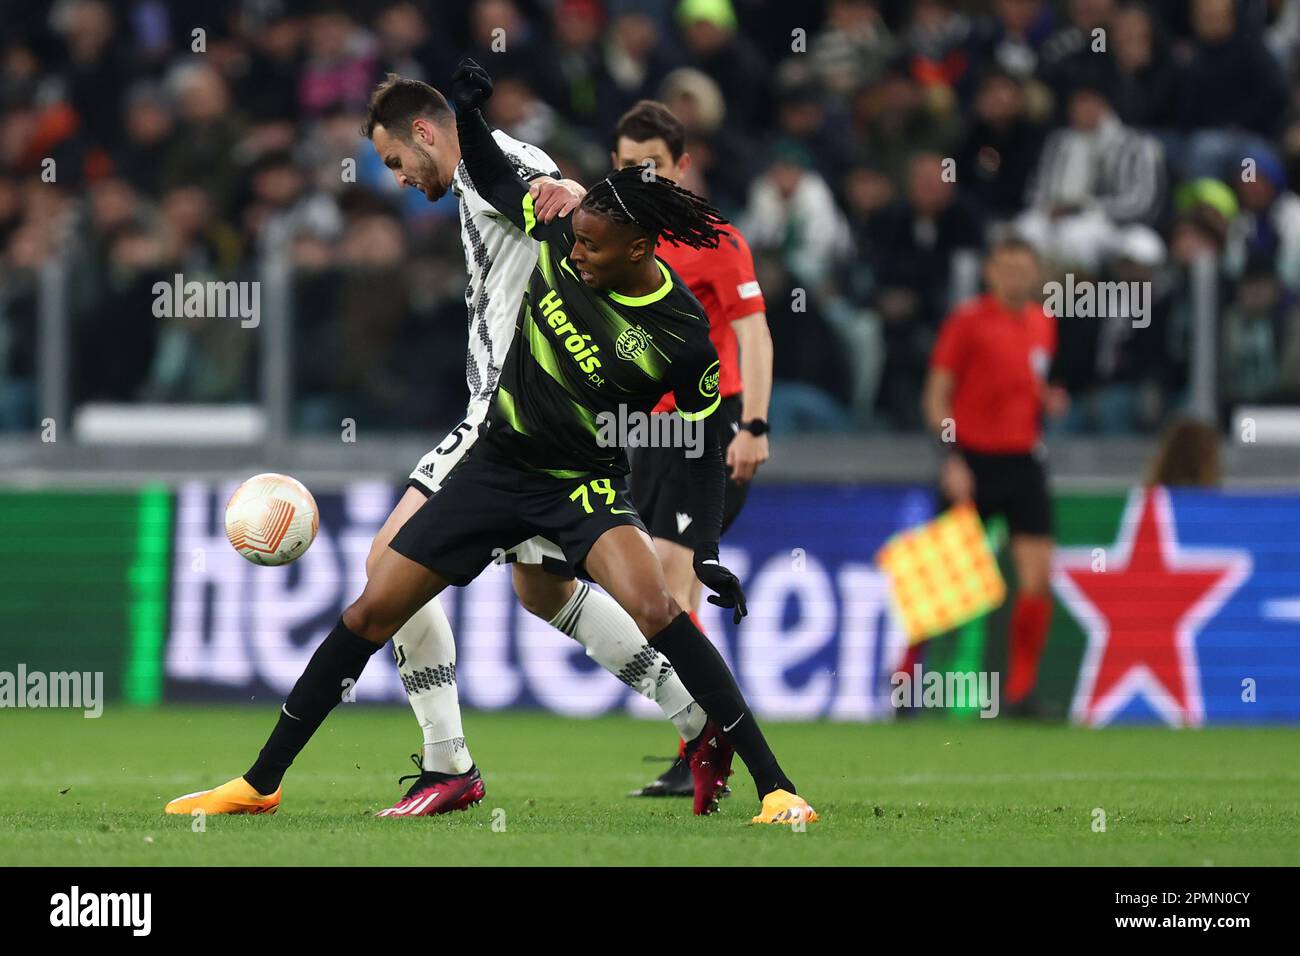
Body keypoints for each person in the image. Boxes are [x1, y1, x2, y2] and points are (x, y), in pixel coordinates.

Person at [166, 59, 817, 826]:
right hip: (507, 447)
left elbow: (538, 183)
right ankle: (263, 781)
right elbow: (518, 187)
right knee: (522, 593)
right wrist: (478, 114)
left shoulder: (663, 318)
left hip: (558, 450)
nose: (398, 178)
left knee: (636, 603)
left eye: (394, 159)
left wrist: (707, 546)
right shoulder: (529, 205)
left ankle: (459, 763)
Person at [600, 100, 774, 798]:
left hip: (710, 422)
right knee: (644, 591)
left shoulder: (717, 241)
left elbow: (756, 332)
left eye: (654, 167)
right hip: (642, 432)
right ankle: (703, 740)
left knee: (673, 584)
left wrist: (755, 425)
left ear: (681, 167)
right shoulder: (611, 238)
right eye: (628, 166)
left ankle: (703, 749)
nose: (640, 177)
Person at [922, 236, 1067, 714]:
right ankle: (907, 679)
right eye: (1006, 268)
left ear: (1036, 274)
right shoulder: (967, 322)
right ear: (990, 271)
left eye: (1024, 269)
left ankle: (1022, 692)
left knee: (1036, 580)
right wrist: (953, 456)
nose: (1015, 278)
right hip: (973, 459)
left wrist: (1047, 401)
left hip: (1023, 461)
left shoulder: (1043, 324)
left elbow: (1031, 385)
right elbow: (937, 395)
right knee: (946, 584)